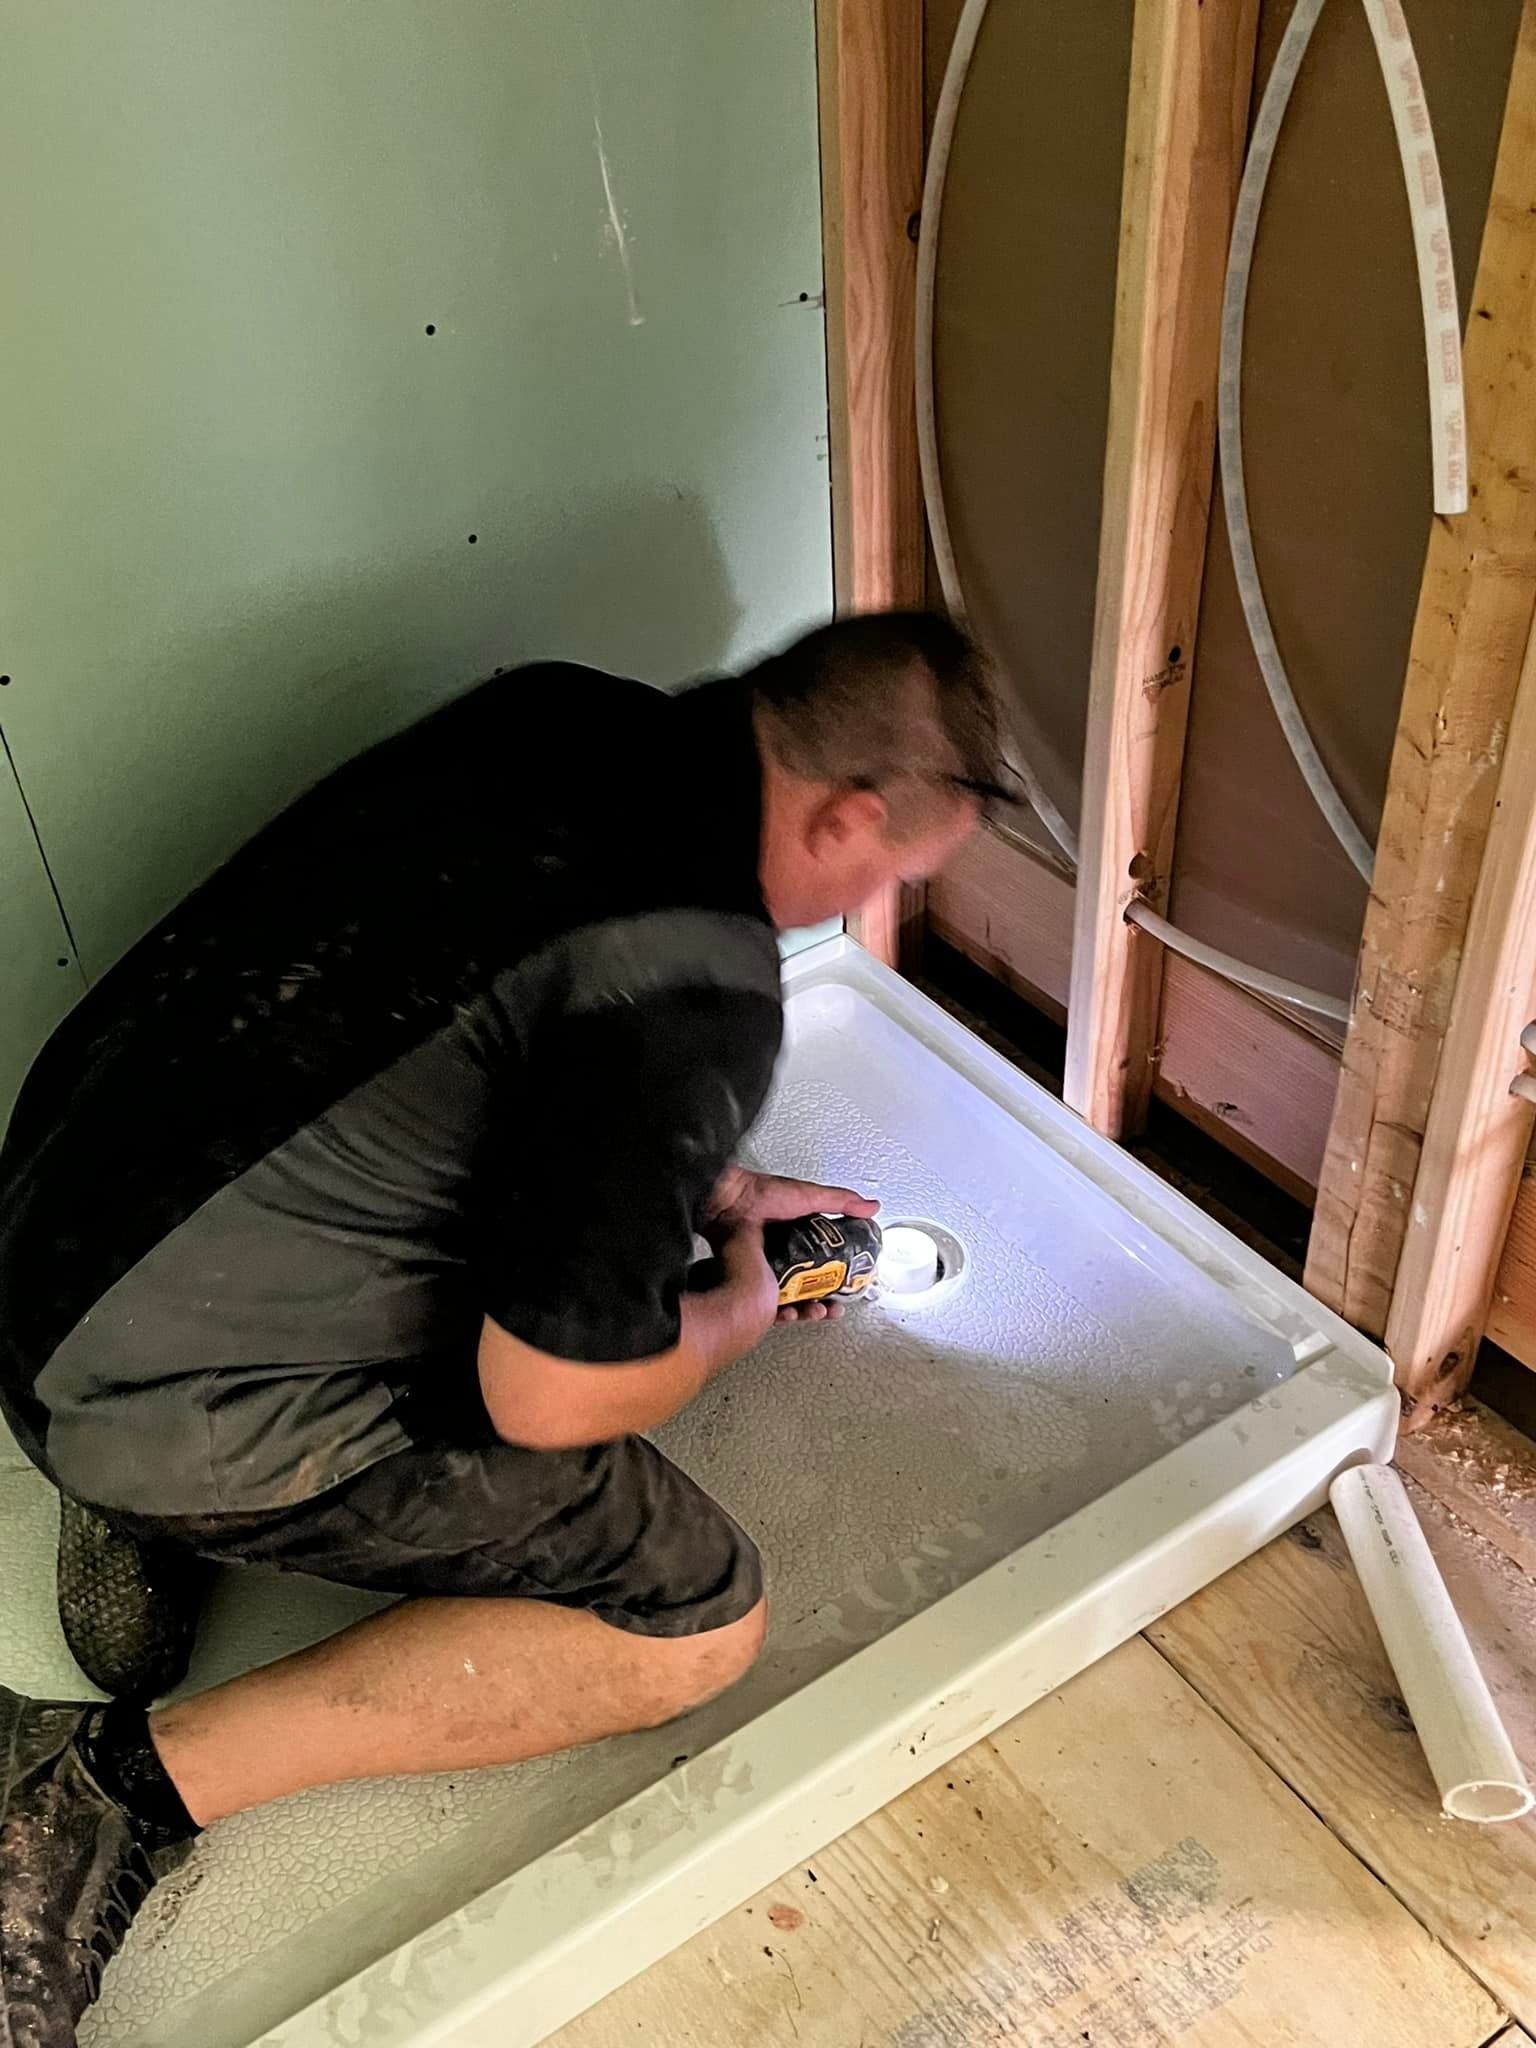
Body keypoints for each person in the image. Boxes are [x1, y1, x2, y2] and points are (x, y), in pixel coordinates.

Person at [0, 608, 1001, 2046]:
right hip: (171, 1395)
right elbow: (544, 1398)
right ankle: (93, 1785)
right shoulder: (696, 983)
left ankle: (147, 1487)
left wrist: (708, 1180)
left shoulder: (558, 713)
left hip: (57, 1252)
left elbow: (462, 1043)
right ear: (849, 817)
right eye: (897, 870)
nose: (883, 892)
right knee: (694, 1624)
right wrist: (734, 1305)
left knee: (405, 1205)